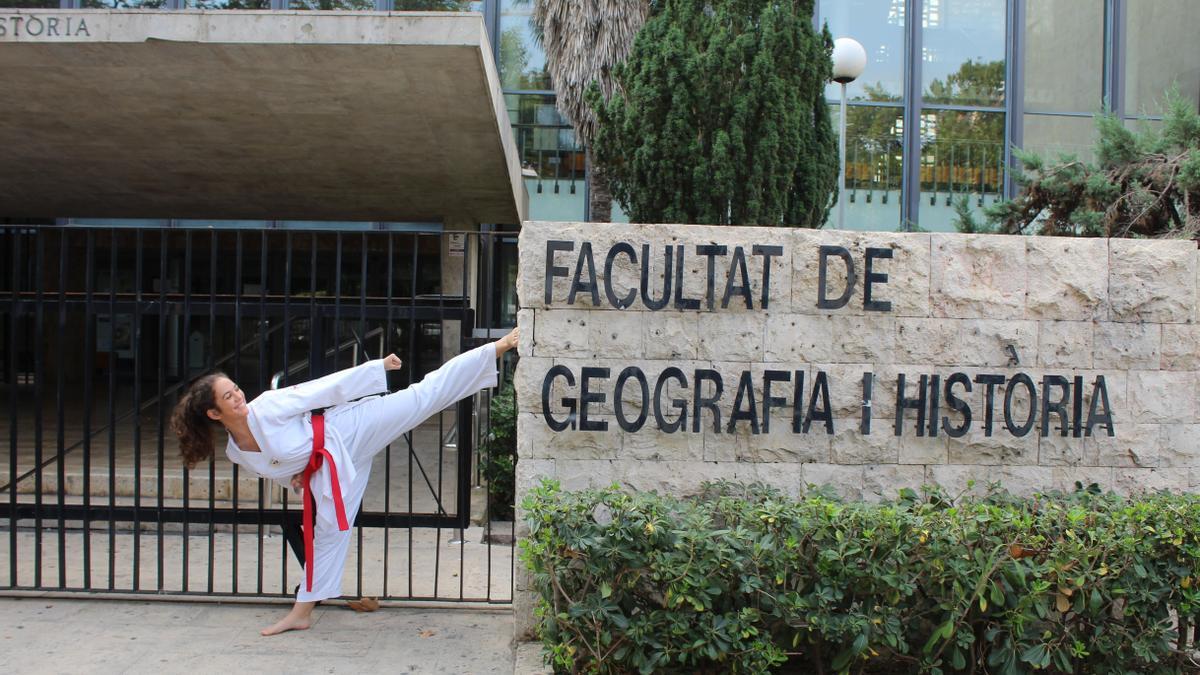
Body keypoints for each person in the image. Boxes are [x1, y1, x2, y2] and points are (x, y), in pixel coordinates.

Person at [170, 327, 519, 635]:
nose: (238, 396)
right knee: (328, 533)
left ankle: (499, 347)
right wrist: (296, 476)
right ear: (214, 414)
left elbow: (320, 389)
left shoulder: (268, 405)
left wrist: (374, 369)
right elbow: (276, 467)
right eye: (228, 396)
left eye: (235, 389)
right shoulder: (237, 453)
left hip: (347, 430)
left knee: (422, 397)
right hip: (330, 469)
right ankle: (302, 613)